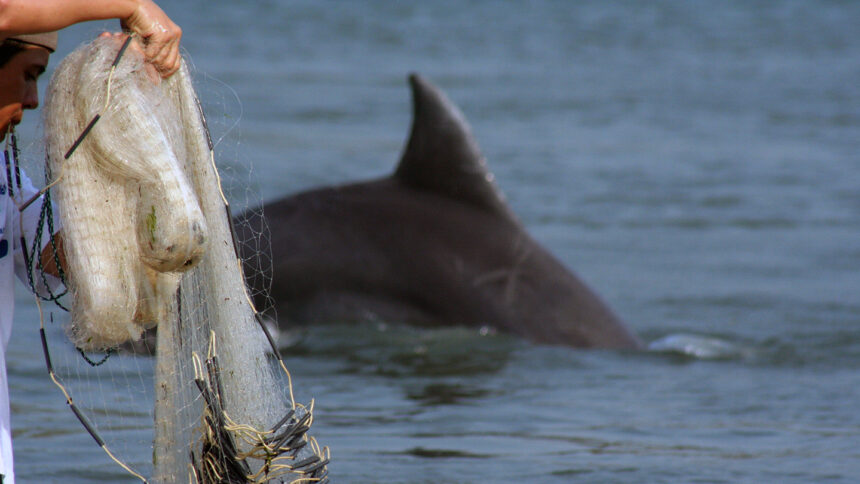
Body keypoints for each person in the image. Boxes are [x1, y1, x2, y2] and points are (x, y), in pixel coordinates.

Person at [0, 2, 181, 482]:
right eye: (29, 74)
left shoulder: (5, 176)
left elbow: (58, 259)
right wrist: (132, 5)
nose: (35, 99)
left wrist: (119, 112)